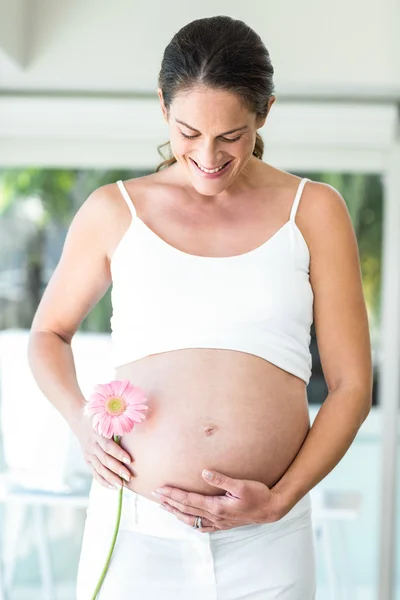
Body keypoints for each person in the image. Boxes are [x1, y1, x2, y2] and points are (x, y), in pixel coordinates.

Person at [28, 15, 373, 600]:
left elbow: (350, 386)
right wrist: (81, 424)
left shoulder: (314, 211)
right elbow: (47, 336)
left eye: (230, 136)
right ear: (163, 106)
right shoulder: (114, 210)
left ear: (263, 111)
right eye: (189, 132)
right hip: (136, 528)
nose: (207, 157)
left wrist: (279, 501)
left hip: (268, 537)